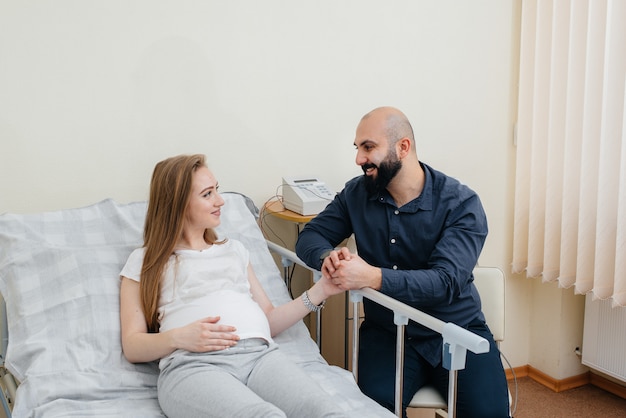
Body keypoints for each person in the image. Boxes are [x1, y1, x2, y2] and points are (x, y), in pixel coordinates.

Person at [295, 107, 510, 418]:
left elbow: (445, 282)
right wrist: (327, 257)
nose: (359, 159)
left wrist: (371, 277)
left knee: (489, 413)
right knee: (369, 411)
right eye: (358, 149)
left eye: (368, 147)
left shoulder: (461, 204)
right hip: (387, 334)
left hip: (454, 331)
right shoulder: (357, 194)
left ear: (403, 147)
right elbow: (311, 236)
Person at [119, 154, 347, 418]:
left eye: (217, 189)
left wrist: (322, 290)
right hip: (194, 366)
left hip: (261, 357)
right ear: (178, 204)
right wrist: (179, 337)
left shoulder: (233, 250)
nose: (220, 200)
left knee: (327, 411)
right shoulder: (146, 261)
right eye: (207, 194)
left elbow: (269, 319)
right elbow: (133, 345)